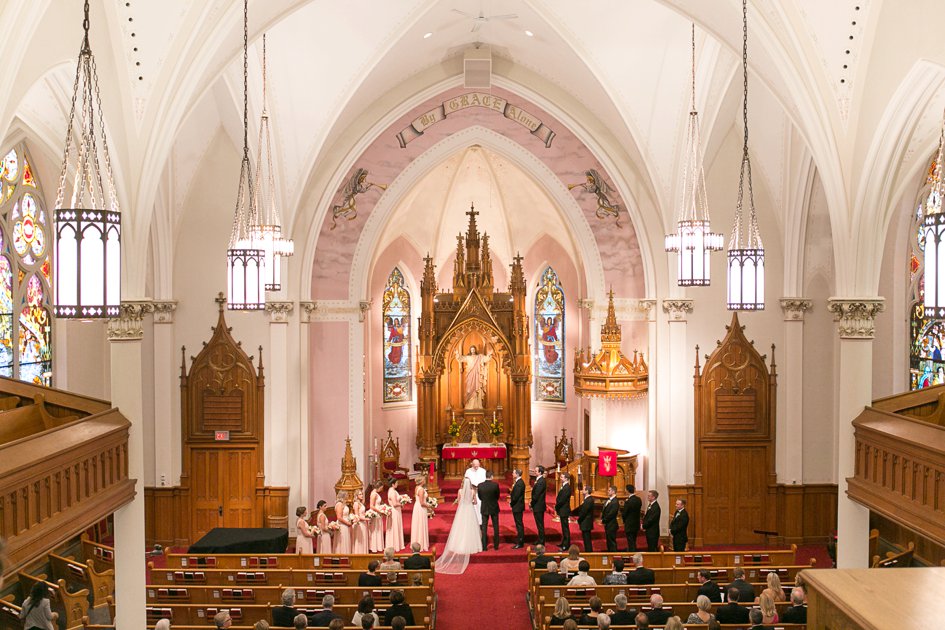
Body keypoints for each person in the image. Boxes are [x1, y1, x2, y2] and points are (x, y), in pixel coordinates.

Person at [435, 477, 482, 574]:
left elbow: (459, 502)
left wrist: (462, 502)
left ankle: (459, 544)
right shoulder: (473, 491)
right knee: (470, 527)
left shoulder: (460, 491)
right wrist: (471, 502)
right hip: (470, 510)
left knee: (460, 527)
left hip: (462, 510)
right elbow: (475, 502)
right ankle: (471, 544)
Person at [478, 469, 501, 550]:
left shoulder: (480, 485)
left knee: (484, 527)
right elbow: (497, 496)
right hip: (494, 507)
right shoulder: (495, 485)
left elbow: (480, 497)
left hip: (484, 507)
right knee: (496, 527)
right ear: (491, 476)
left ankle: (484, 547)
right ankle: (496, 546)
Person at [409, 476, 429, 552]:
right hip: (421, 508)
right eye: (424, 479)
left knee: (418, 525)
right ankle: (421, 543)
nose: (425, 480)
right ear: (421, 481)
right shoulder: (421, 490)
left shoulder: (417, 487)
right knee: (420, 524)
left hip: (417, 507)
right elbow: (422, 502)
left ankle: (417, 541)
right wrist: (429, 506)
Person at [386, 479, 405, 551]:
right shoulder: (393, 492)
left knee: (394, 527)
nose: (397, 484)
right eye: (396, 483)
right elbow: (394, 504)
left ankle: (393, 543)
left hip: (395, 511)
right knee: (395, 526)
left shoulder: (390, 490)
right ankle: (396, 545)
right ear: (392, 484)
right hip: (395, 511)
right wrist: (401, 504)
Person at [621, 484, 642, 552]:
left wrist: (624, 521)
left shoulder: (628, 501)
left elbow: (624, 513)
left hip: (629, 524)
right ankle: (633, 550)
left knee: (630, 540)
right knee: (634, 539)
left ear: (627, 490)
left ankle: (632, 553)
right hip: (636, 523)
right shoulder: (638, 499)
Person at [368, 480, 387, 553]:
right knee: (376, 529)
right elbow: (371, 506)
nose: (382, 489)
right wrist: (380, 511)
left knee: (377, 529)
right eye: (381, 487)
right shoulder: (374, 494)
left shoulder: (375, 493)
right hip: (376, 514)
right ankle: (374, 546)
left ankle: (378, 545)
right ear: (379, 487)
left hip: (377, 513)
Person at [509, 468, 526, 548]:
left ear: (517, 474)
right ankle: (520, 540)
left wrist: (511, 503)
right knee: (518, 523)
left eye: (513, 473)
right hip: (517, 506)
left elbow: (516, 496)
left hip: (518, 506)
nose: (512, 474)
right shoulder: (518, 482)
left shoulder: (519, 483)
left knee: (519, 524)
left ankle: (520, 542)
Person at [555, 472, 573, 550]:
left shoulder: (567, 488)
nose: (560, 478)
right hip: (562, 509)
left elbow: (562, 500)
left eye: (562, 477)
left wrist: (557, 506)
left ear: (566, 479)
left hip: (564, 509)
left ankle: (566, 544)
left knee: (565, 528)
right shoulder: (563, 486)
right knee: (563, 527)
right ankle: (563, 542)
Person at [576, 485, 595, 552]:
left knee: (587, 540)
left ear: (587, 491)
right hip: (586, 522)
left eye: (583, 489)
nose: (582, 490)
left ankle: (589, 552)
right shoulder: (587, 499)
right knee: (586, 539)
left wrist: (579, 520)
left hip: (586, 523)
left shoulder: (588, 500)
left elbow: (584, 512)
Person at [531, 466, 548, 545]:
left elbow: (536, 494)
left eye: (536, 471)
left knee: (540, 524)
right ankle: (540, 539)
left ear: (540, 472)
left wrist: (531, 503)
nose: (534, 472)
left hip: (539, 506)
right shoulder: (539, 480)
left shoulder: (541, 481)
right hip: (537, 505)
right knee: (538, 524)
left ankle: (541, 541)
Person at [601, 485, 619, 552]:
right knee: (608, 541)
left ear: (613, 491)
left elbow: (611, 514)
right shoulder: (608, 500)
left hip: (612, 524)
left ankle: (614, 555)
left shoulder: (615, 502)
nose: (607, 491)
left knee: (612, 541)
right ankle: (609, 554)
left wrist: (604, 520)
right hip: (608, 524)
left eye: (609, 490)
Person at [351, 489, 369, 554]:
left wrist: (368, 515)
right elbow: (357, 516)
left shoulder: (360, 503)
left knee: (363, 538)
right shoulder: (356, 504)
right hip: (359, 524)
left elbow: (362, 513)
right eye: (360, 494)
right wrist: (365, 519)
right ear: (356, 495)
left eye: (362, 494)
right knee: (360, 538)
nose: (362, 495)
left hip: (363, 523)